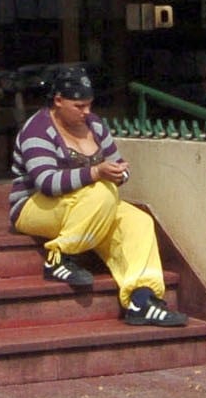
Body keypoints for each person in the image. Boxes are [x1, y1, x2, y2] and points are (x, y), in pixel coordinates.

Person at [9, 66, 188, 327]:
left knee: (138, 220)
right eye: (79, 106)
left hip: (90, 203)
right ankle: (58, 256)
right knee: (102, 193)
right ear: (58, 101)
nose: (86, 112)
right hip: (34, 206)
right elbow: (46, 182)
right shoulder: (37, 129)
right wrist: (95, 172)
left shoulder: (95, 125)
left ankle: (141, 299)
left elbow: (116, 165)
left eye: (89, 105)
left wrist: (118, 174)